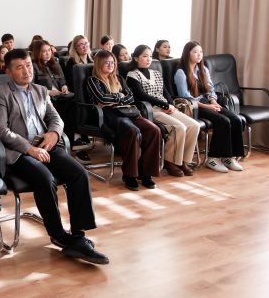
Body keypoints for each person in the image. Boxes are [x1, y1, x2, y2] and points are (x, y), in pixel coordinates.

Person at [0, 49, 109, 265]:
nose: (26, 71)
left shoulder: (40, 90)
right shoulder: (0, 92)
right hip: (19, 151)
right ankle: (58, 235)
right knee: (45, 179)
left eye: (28, 65)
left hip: (46, 145)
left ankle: (78, 235)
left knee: (79, 173)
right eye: (19, 67)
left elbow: (56, 119)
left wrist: (53, 133)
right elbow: (2, 130)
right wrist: (29, 149)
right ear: (8, 72)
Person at [87, 50, 162, 190]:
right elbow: (101, 98)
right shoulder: (93, 80)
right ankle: (130, 175)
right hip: (110, 115)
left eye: (112, 62)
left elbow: (131, 97)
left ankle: (145, 173)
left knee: (154, 130)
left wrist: (114, 99)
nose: (110, 65)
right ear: (99, 64)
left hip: (129, 112)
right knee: (132, 131)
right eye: (106, 63)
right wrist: (120, 96)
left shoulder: (119, 78)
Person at [126, 45, 200, 176]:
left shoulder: (156, 73)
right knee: (179, 127)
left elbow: (166, 93)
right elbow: (142, 96)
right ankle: (170, 161)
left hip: (166, 107)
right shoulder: (132, 75)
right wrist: (165, 105)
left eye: (150, 56)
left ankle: (182, 161)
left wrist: (171, 105)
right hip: (150, 110)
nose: (148, 59)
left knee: (194, 125)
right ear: (136, 58)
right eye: (145, 56)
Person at [174, 41, 244, 172]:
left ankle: (229, 157)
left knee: (236, 119)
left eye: (201, 52)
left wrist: (213, 101)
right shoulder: (181, 73)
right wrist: (207, 107)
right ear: (187, 53)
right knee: (223, 121)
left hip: (208, 103)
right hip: (195, 107)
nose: (199, 54)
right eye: (195, 52)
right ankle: (212, 159)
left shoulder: (203, 69)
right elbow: (185, 97)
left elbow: (210, 90)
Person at [64, 35, 94, 161]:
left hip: (92, 94)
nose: (84, 46)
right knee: (77, 106)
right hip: (78, 94)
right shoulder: (71, 62)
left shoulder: (93, 60)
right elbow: (71, 84)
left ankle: (82, 138)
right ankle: (78, 141)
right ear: (75, 48)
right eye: (81, 44)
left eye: (86, 43)